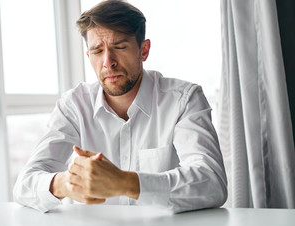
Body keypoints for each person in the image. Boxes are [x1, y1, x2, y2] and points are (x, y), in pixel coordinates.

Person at [13, 0, 227, 213]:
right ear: (89, 57)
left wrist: (123, 182)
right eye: (97, 51)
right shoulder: (74, 105)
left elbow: (212, 182)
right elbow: (24, 185)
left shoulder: (184, 99)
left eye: (120, 47)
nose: (108, 62)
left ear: (144, 50)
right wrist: (66, 184)